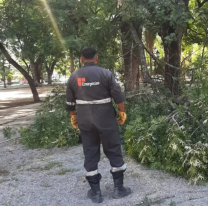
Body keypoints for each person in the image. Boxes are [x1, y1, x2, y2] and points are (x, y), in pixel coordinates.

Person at [65, 47, 131, 203]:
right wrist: (122, 112)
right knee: (113, 149)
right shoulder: (106, 74)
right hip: (106, 117)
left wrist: (73, 117)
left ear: (81, 59)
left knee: (90, 150)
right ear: (97, 58)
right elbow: (118, 96)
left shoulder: (74, 76)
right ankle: (118, 190)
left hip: (85, 118)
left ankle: (96, 194)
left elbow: (70, 103)